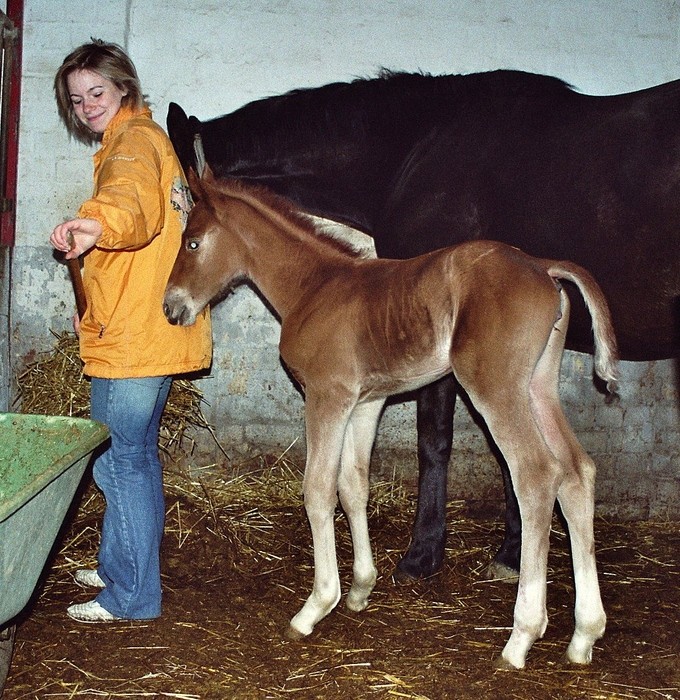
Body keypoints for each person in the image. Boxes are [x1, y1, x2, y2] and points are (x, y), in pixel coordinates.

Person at [50, 39, 212, 623]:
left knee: (123, 460)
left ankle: (132, 594)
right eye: (77, 98)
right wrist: (91, 300)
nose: (88, 105)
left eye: (97, 91)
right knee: (127, 453)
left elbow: (131, 208)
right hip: (138, 324)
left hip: (136, 335)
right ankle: (120, 566)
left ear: (124, 88)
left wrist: (95, 224)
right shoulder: (144, 139)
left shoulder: (132, 146)